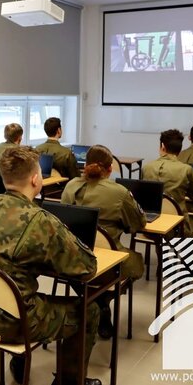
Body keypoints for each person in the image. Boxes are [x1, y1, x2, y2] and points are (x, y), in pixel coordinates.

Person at [0, 146, 101, 385]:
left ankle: (20, 361)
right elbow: (87, 268)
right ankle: (69, 382)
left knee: (23, 289)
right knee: (90, 311)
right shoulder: (40, 220)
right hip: (16, 320)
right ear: (36, 179)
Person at [61, 144, 146, 339]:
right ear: (110, 168)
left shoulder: (70, 186)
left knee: (79, 275)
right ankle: (103, 300)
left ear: (85, 164)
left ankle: (92, 300)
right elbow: (138, 223)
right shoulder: (119, 192)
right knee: (137, 263)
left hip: (73, 261)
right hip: (107, 266)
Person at [142, 129, 193, 237]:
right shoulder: (186, 170)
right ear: (179, 150)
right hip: (178, 228)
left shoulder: (147, 167)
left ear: (162, 146)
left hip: (150, 226)